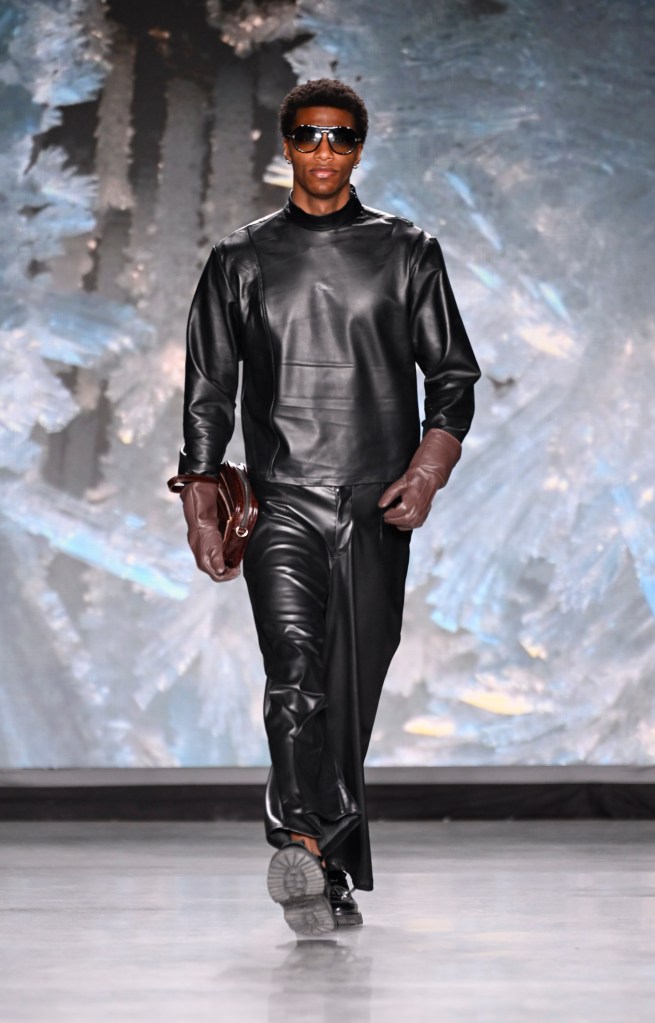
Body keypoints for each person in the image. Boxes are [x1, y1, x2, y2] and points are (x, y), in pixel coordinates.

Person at [170, 78, 480, 936]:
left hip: (376, 502)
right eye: (307, 134)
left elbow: (451, 375)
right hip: (281, 501)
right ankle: (299, 842)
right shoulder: (241, 258)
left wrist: (427, 470)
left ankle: (329, 865)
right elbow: (208, 388)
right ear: (285, 144)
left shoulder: (407, 251)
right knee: (295, 675)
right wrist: (201, 497)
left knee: (349, 691)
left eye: (340, 137)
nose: (323, 150)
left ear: (359, 148)